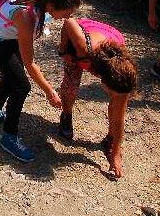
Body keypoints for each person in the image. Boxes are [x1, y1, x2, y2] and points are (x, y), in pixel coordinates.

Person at [0, 0, 81, 162]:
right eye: (67, 13)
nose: (68, 17)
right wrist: (49, 91)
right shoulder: (24, 17)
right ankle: (9, 137)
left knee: (13, 75)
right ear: (52, 5)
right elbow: (30, 62)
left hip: (8, 33)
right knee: (21, 86)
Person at [56, 18, 138, 178]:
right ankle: (66, 115)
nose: (113, 96)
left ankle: (109, 140)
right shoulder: (84, 49)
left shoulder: (122, 70)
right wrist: (63, 50)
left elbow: (119, 116)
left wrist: (116, 153)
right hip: (81, 38)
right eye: (112, 92)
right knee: (70, 87)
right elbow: (69, 22)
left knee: (119, 103)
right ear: (103, 80)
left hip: (109, 39)